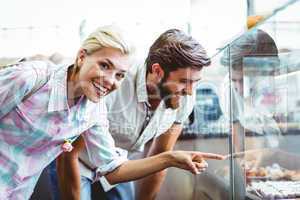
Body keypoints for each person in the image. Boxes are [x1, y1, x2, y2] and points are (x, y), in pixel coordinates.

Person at [0, 25, 222, 200]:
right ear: (81, 57)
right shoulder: (33, 78)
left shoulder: (93, 109)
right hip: (73, 164)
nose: (109, 81)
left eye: (119, 75)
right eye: (104, 65)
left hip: (19, 191)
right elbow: (69, 157)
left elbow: (116, 169)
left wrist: (171, 158)